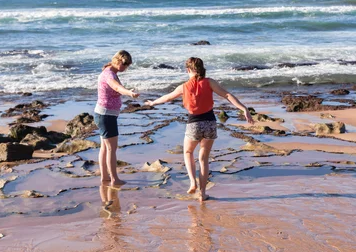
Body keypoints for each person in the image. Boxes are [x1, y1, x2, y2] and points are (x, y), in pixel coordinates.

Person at [145, 57, 254, 201]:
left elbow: (167, 98)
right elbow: (227, 95)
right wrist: (243, 108)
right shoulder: (210, 82)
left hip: (194, 124)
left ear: (188, 70)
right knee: (204, 159)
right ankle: (202, 194)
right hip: (210, 123)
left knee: (188, 151)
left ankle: (192, 182)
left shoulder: (183, 86)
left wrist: (152, 102)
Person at [95, 50, 138, 187]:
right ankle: (114, 179)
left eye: (128, 65)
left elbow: (116, 87)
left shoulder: (109, 71)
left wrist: (126, 91)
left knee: (105, 148)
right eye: (125, 64)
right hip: (106, 116)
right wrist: (129, 93)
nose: (126, 68)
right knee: (111, 149)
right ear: (118, 61)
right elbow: (116, 87)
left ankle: (105, 177)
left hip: (103, 114)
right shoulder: (109, 74)